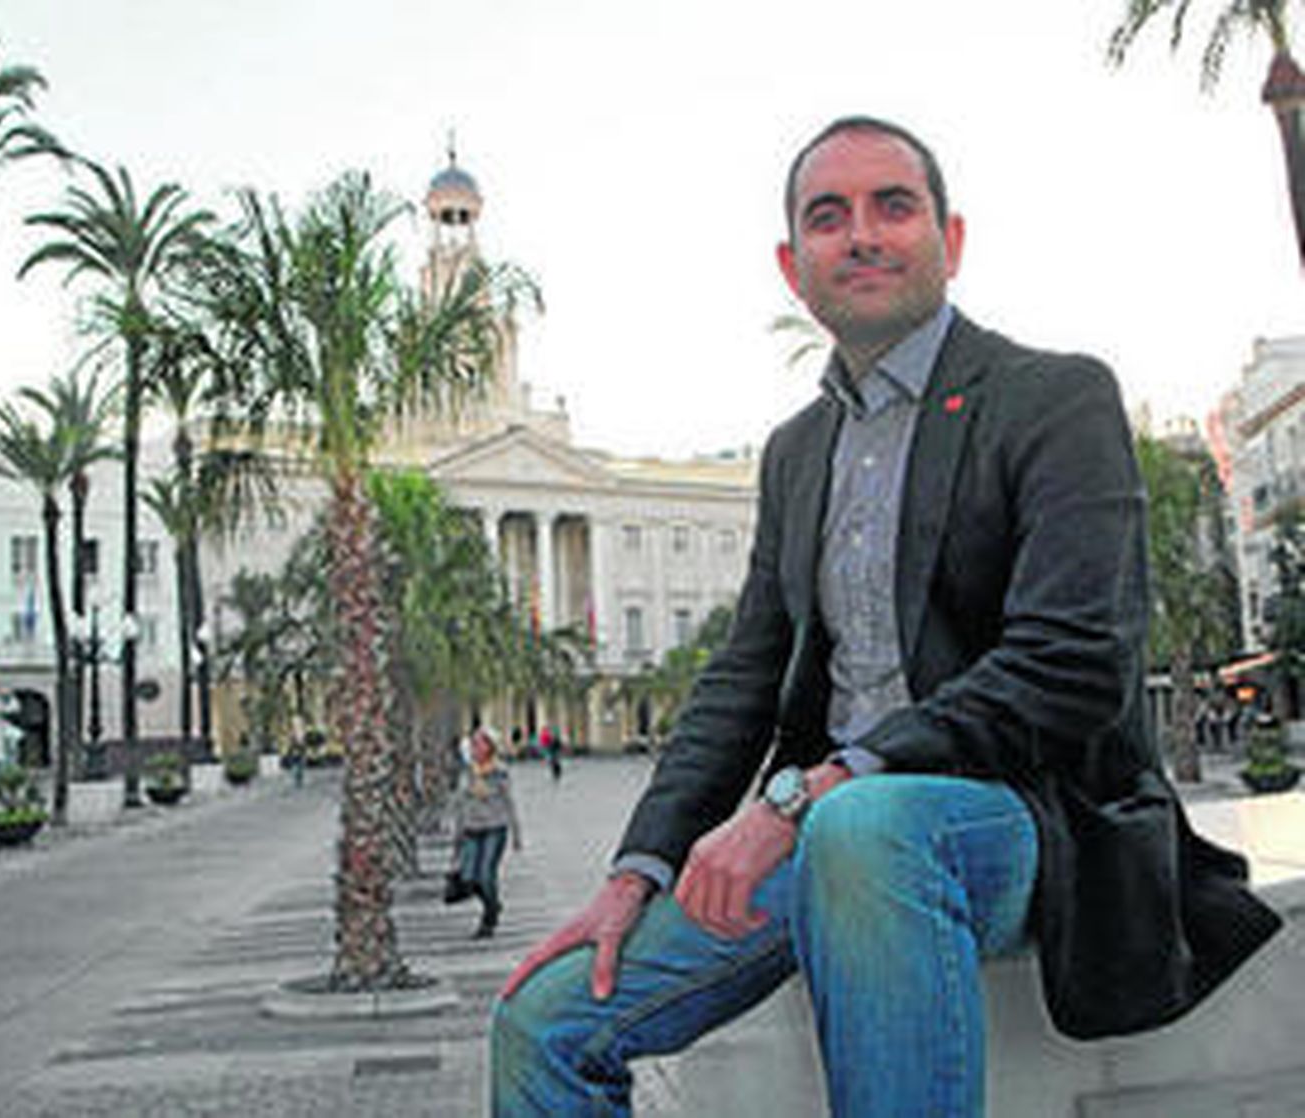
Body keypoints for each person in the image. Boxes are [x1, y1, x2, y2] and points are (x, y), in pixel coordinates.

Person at [490, 116, 1281, 1117]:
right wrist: (635, 867)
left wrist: (811, 790)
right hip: (826, 831)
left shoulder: (1053, 396)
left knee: (864, 823)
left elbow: (1072, 660)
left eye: (891, 206)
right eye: (828, 217)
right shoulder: (795, 450)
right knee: (541, 1023)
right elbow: (743, 674)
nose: (860, 234)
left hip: (1026, 815)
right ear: (793, 266)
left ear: (948, 241)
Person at [451, 726, 523, 939]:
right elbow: (459, 803)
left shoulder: (499, 771)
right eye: (473, 743)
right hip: (471, 829)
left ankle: (488, 919)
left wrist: (517, 833)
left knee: (485, 876)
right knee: (469, 877)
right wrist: (457, 835)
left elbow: (509, 802)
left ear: (490, 747)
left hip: (494, 828)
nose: (475, 747)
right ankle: (494, 904)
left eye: (479, 743)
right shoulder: (466, 771)